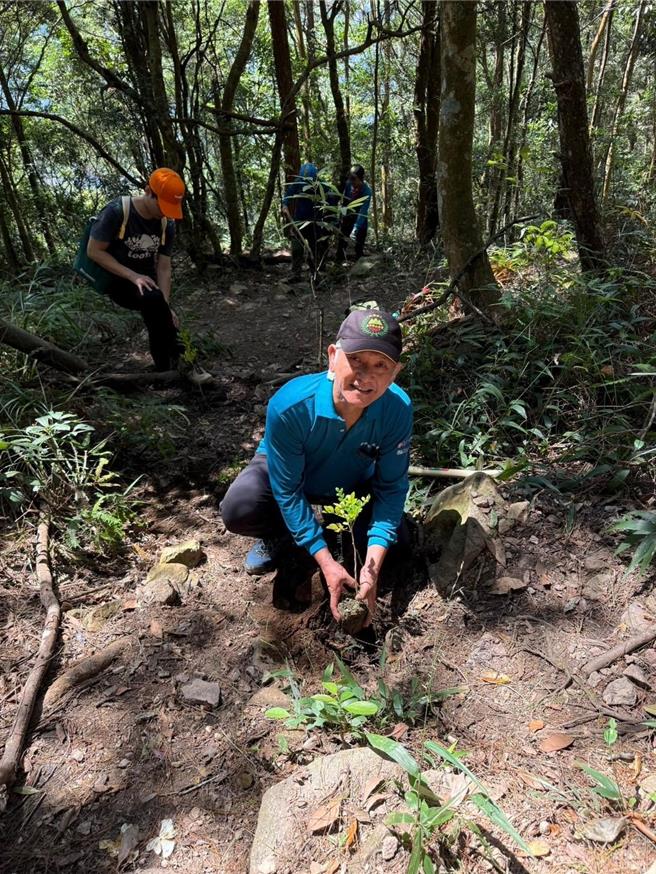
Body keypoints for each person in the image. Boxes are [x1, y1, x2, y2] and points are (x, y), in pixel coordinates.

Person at [221, 309, 412, 625]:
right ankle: (282, 535)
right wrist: (323, 560)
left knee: (397, 544)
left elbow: (391, 487)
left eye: (381, 366)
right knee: (240, 507)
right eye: (356, 360)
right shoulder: (291, 406)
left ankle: (334, 530)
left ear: (395, 372)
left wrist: (372, 567)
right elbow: (287, 488)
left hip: (350, 486)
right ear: (333, 357)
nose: (367, 376)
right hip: (293, 474)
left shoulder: (397, 409)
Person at [87, 168, 185, 372]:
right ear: (149, 191)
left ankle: (170, 367)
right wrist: (133, 276)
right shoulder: (116, 212)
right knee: (154, 301)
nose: (164, 212)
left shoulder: (167, 224)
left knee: (161, 313)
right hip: (117, 281)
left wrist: (165, 307)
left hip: (148, 285)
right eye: (162, 205)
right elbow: (94, 251)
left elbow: (164, 267)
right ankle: (168, 369)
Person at [282, 162, 335, 281]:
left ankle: (315, 275)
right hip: (298, 221)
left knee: (314, 249)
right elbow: (289, 194)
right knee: (296, 248)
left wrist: (331, 220)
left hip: (315, 223)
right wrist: (285, 204)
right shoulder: (298, 182)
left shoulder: (322, 186)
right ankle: (296, 274)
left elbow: (332, 200)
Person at [335, 165, 372, 263]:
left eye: (354, 179)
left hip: (360, 221)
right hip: (347, 218)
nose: (352, 182)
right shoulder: (348, 185)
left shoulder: (366, 191)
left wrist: (356, 228)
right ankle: (338, 266)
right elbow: (342, 201)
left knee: (359, 248)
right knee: (341, 245)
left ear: (361, 179)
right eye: (350, 179)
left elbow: (363, 211)